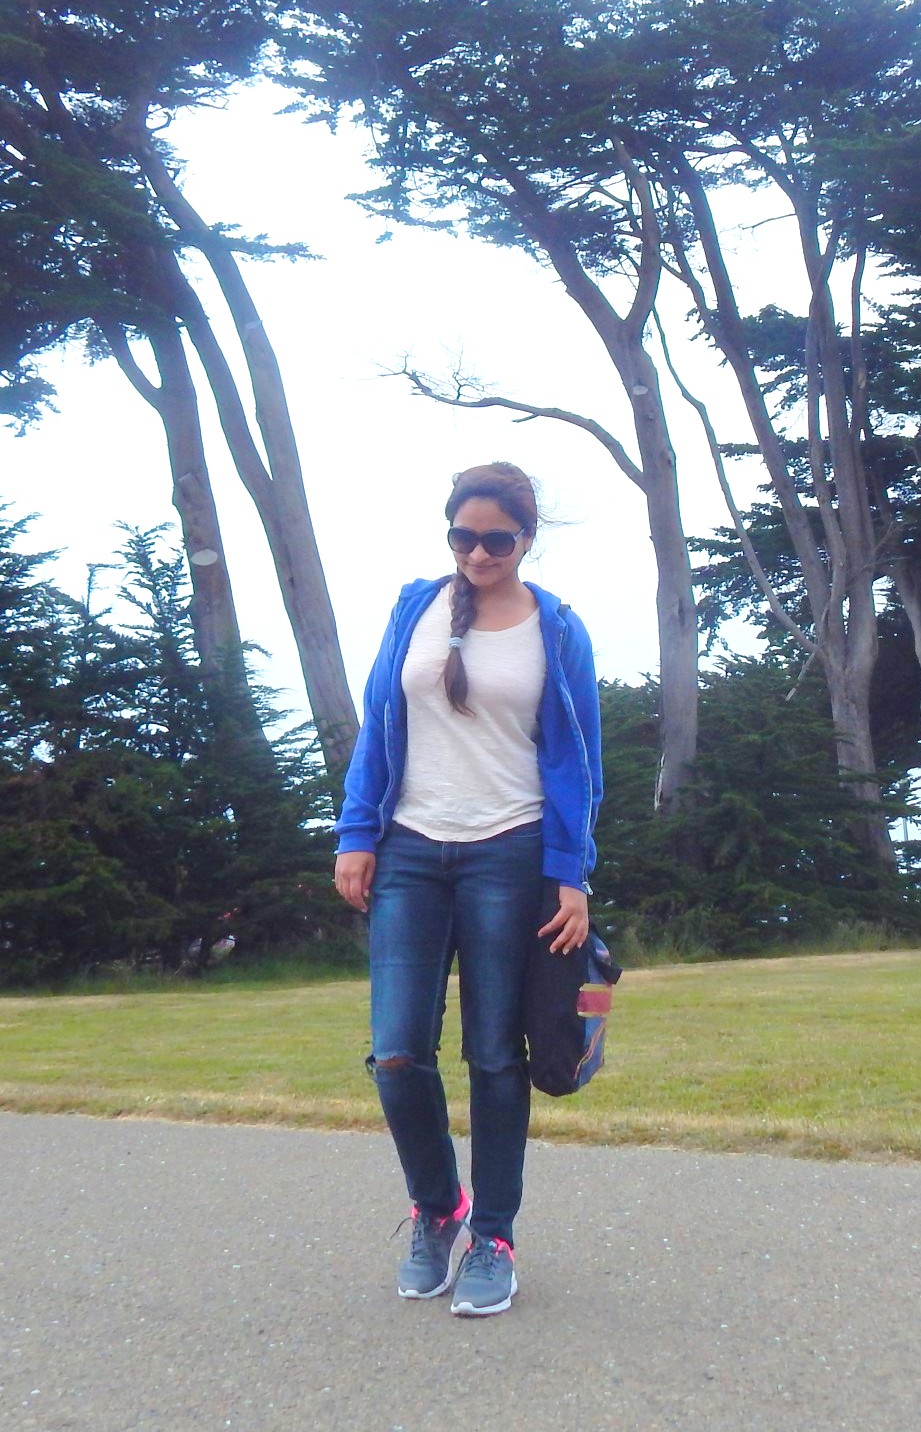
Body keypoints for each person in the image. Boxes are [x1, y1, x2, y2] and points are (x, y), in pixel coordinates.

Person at [331, 462, 603, 1318]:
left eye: (496, 538)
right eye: (463, 536)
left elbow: (575, 757)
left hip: (509, 852)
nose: (478, 552)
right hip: (410, 849)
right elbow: (380, 721)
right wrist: (356, 831)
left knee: (494, 1054)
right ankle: (436, 1206)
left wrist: (571, 874)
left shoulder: (555, 626)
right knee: (397, 1050)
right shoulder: (414, 606)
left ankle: (493, 1234)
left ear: (526, 538)